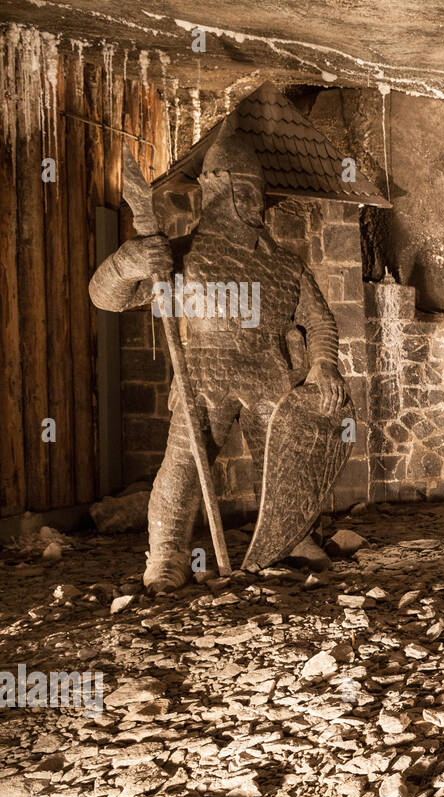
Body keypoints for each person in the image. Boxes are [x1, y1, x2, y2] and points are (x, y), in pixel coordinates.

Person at [89, 120, 345, 592]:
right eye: (245, 191)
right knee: (184, 467)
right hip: (206, 371)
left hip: (272, 375)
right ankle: (167, 554)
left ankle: (293, 537)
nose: (254, 203)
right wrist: (130, 261)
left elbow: (320, 321)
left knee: (284, 467)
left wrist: (324, 364)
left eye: (256, 192)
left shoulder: (285, 264)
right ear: (218, 189)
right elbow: (107, 297)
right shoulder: (181, 255)